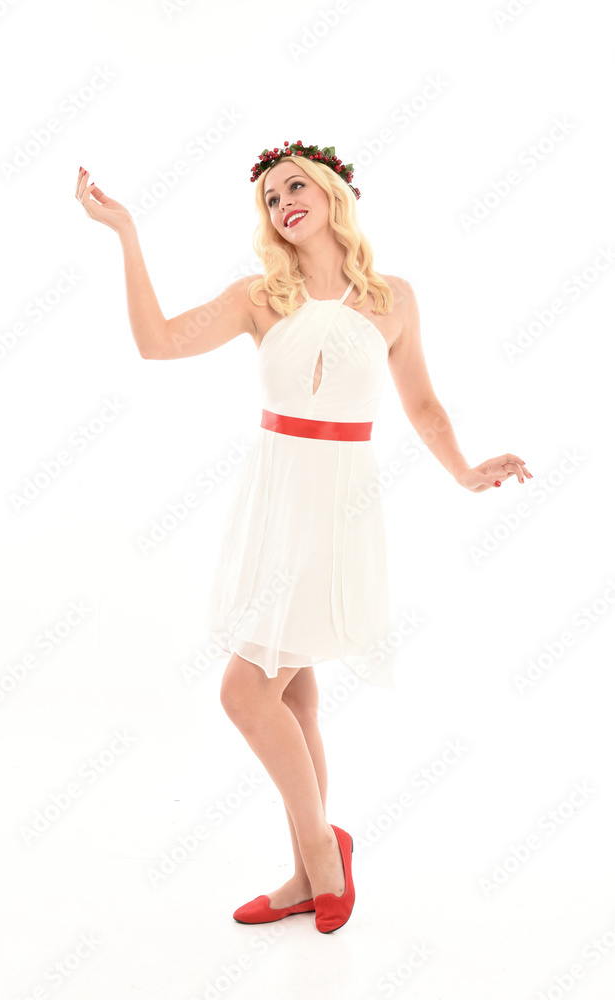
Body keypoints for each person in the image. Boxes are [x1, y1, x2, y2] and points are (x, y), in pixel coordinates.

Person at [75, 140, 532, 933]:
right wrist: (126, 233)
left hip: (338, 509)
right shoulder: (260, 296)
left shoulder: (392, 299)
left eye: (294, 187)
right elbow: (157, 343)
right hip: (274, 503)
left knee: (244, 691)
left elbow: (422, 405)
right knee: (291, 695)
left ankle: (322, 853)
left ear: (329, 193)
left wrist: (463, 472)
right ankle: (305, 874)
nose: (283, 201)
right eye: (270, 197)